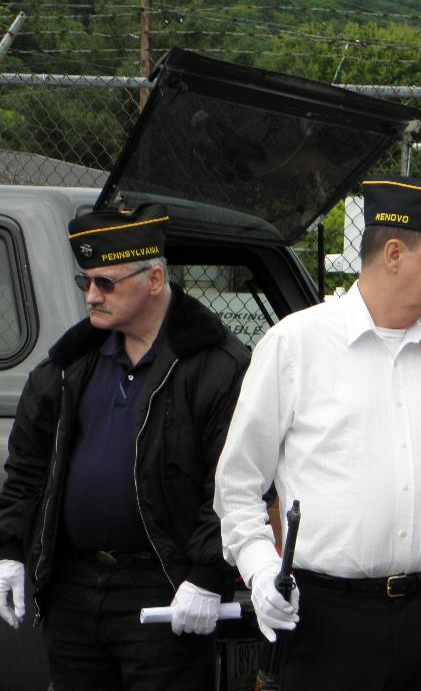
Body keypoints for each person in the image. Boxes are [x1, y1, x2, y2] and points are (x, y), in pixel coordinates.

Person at [213, 175, 421, 691]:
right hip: (330, 622)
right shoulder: (296, 345)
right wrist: (259, 566)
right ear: (393, 253)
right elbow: (238, 483)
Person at [0, 203, 249, 690]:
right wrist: (10, 548)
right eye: (84, 283)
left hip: (162, 586)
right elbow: (28, 467)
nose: (92, 295)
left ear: (154, 280)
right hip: (74, 587)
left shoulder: (217, 367)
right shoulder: (68, 367)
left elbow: (235, 483)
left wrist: (206, 576)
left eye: (105, 283)